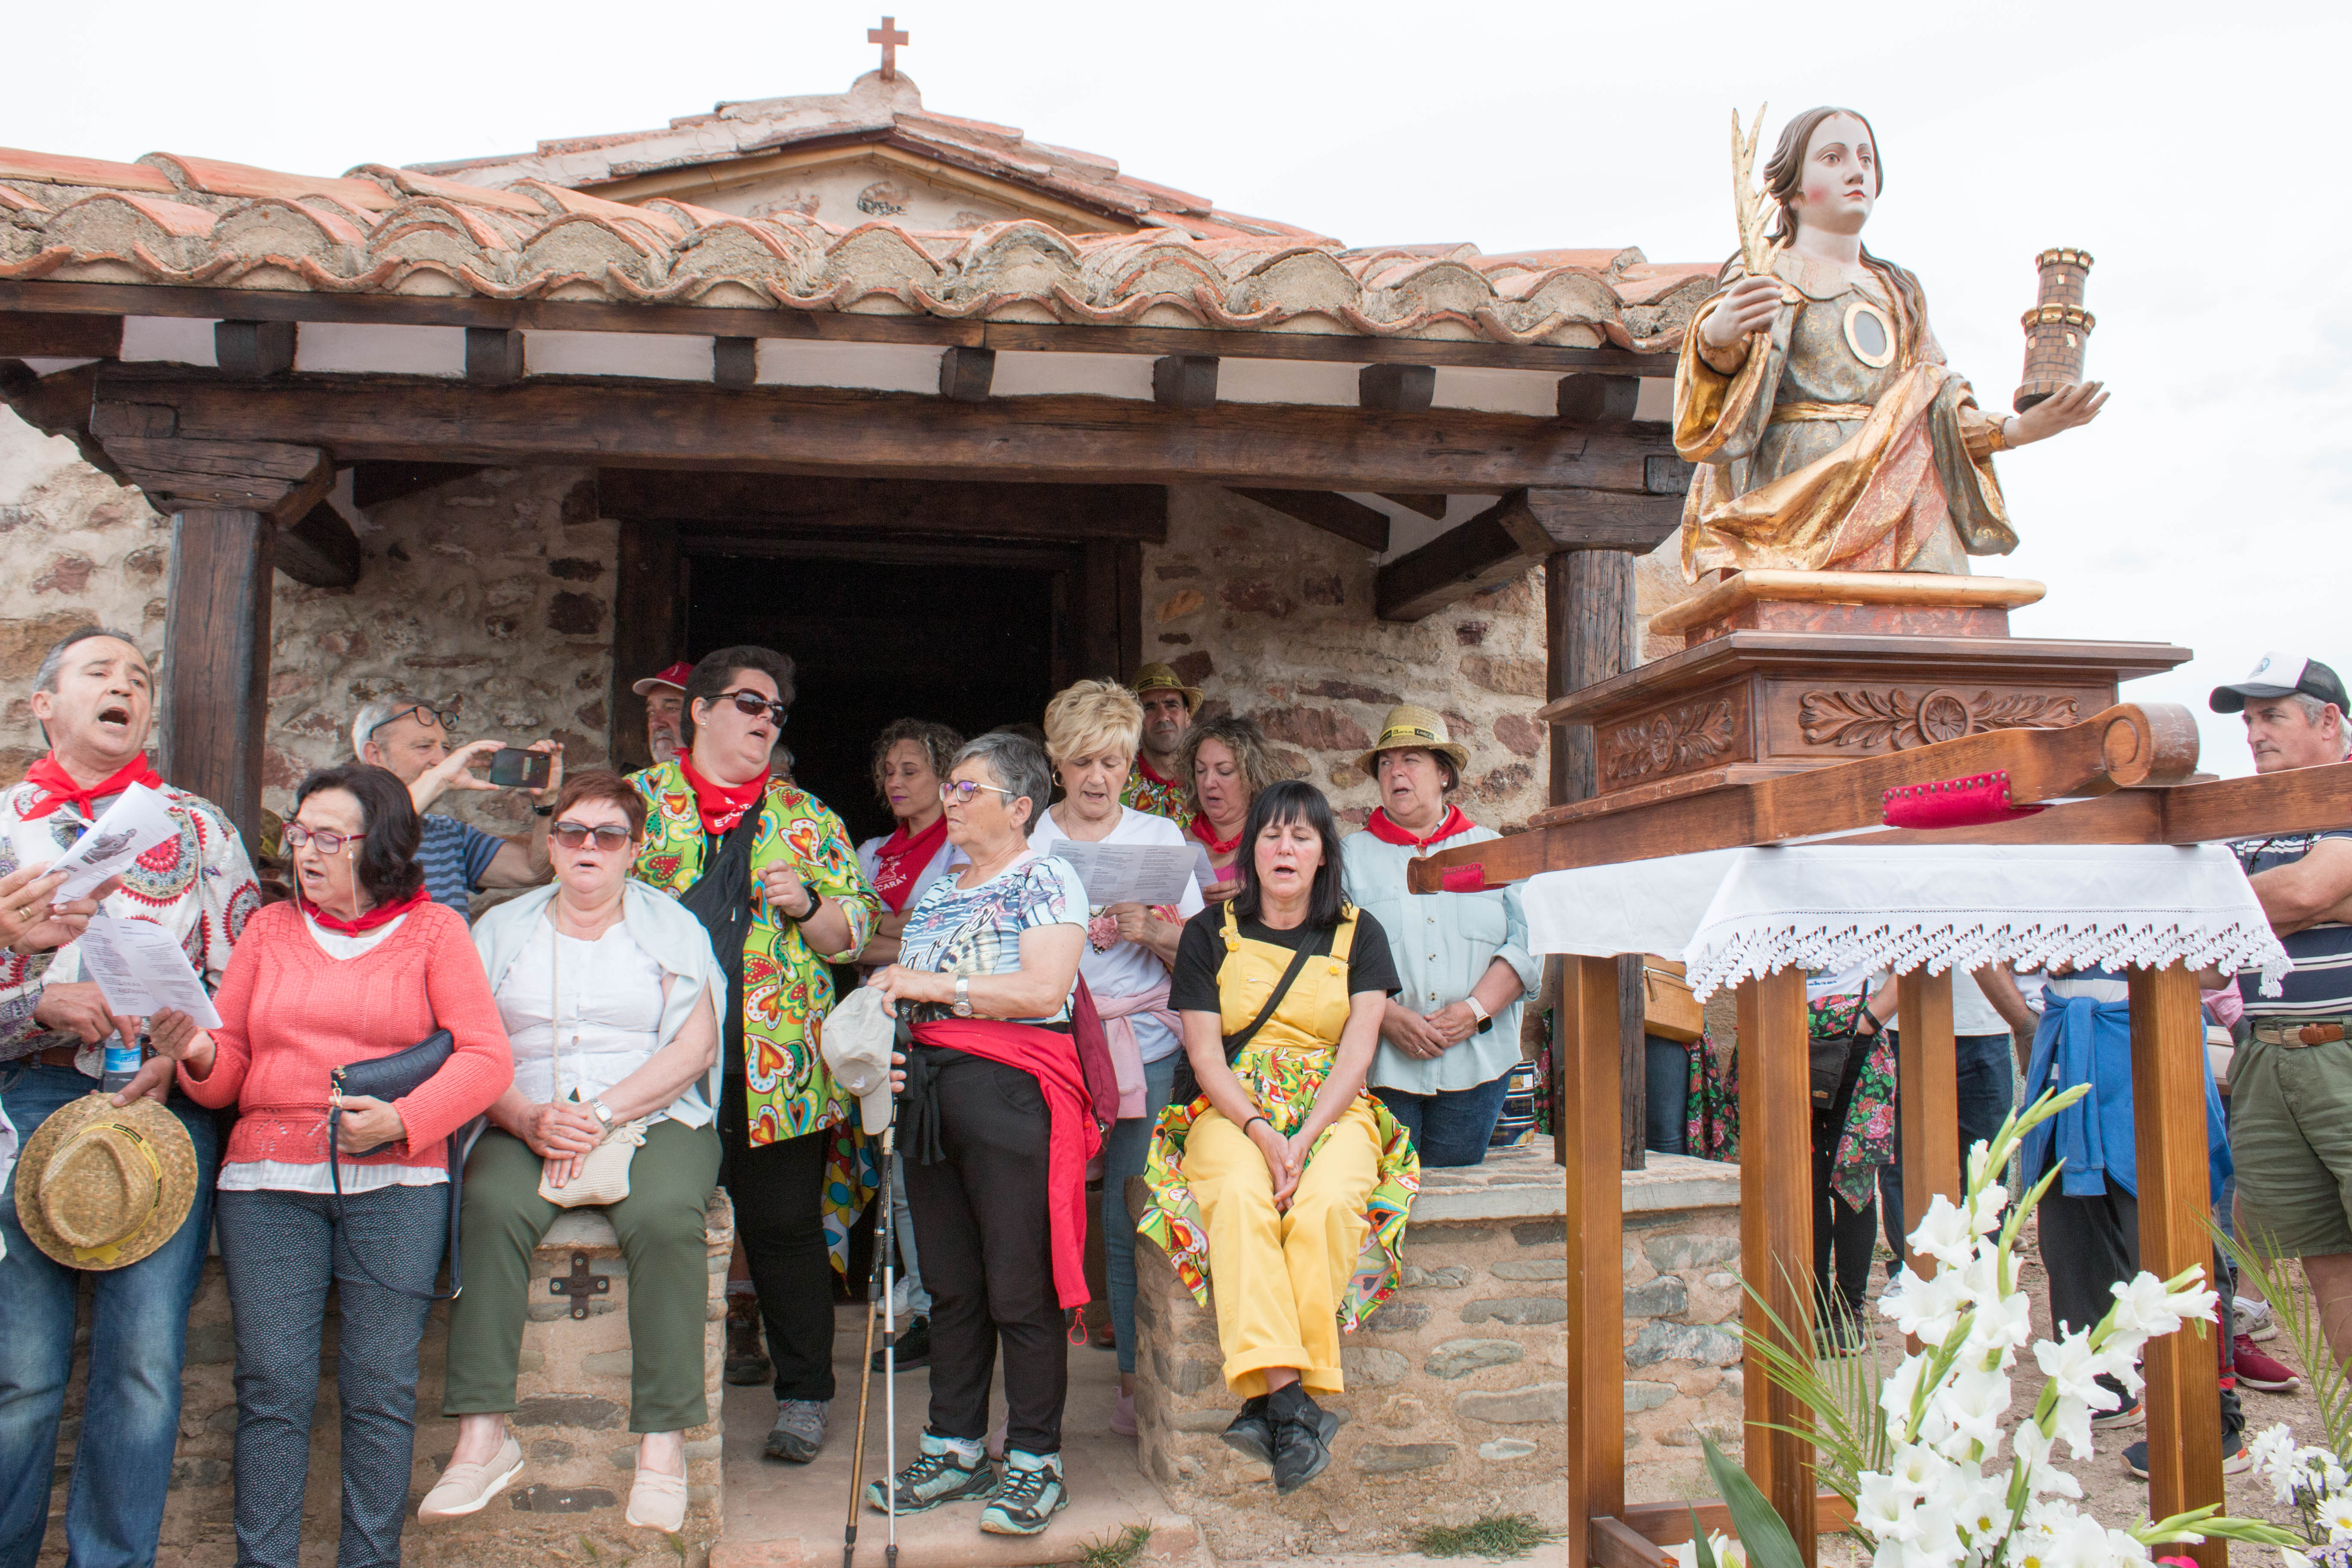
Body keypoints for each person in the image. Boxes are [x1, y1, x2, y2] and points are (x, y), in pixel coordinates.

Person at [152, 762, 511, 1568]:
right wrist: (199, 1051)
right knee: (272, 1387)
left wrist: (404, 1119)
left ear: (377, 843)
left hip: (398, 1182)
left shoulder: (435, 932)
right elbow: (233, 1065)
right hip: (268, 1185)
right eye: (297, 832)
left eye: (326, 837)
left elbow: (487, 1059)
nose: (303, 852)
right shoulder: (271, 930)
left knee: (381, 1388)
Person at [0, 625, 262, 1568]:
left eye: (140, 678)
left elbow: (242, 986)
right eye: (100, 673)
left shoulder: (201, 828)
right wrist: (40, 1000)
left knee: (147, 1367)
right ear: (45, 705)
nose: (126, 688)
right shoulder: (0, 827)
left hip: (163, 1112)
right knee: (21, 1373)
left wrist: (184, 1054)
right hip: (26, 1102)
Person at [426, 770, 725, 1533]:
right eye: (572, 832)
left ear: (636, 849)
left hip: (650, 1115)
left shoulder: (673, 929)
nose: (588, 847)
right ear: (550, 843)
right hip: (523, 1114)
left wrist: (597, 1114)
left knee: (662, 1216)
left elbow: (694, 1048)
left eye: (609, 835)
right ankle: (484, 1437)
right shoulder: (499, 928)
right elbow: (469, 1042)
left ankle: (662, 1442)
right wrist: (525, 1117)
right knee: (488, 1207)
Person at [626, 646, 879, 1466]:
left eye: (776, 710)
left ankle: (805, 1396)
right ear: (697, 710)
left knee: (783, 1231)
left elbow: (852, 937)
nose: (767, 719)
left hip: (778, 1068)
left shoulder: (810, 819)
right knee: (653, 1225)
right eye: (748, 702)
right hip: (655, 1062)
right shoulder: (633, 804)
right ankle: (652, 1406)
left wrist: (806, 902)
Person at [1675, 106, 2104, 577]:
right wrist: (1717, 337)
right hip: (1805, 499)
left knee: (1932, 621)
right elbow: (1734, 378)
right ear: (1794, 189)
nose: (1857, 171)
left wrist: (2018, 431)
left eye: (1866, 159)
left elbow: (1930, 409)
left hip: (1904, 497)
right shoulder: (1767, 270)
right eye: (1833, 159)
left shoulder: (1900, 291)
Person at [1139, 780, 1416, 1495]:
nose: (1284, 847)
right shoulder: (1209, 932)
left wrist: (1306, 1135)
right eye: (1271, 834)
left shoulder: (1361, 933)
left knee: (1327, 1204)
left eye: (1301, 835)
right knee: (1236, 1194)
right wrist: (1263, 1132)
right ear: (1249, 848)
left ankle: (1272, 1400)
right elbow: (1203, 1054)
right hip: (1232, 1105)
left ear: (1324, 852)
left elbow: (1358, 1055)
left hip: (1333, 1105)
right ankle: (1295, 1401)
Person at [864, 732, 1090, 1536]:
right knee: (952, 1282)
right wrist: (899, 1046)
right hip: (932, 1091)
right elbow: (921, 1004)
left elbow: (1041, 988)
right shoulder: (941, 885)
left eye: (967, 788)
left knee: (1017, 1281)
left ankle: (1035, 1459)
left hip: (1010, 1089)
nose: (950, 799)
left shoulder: (1047, 876)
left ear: (1020, 807)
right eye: (950, 787)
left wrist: (929, 985)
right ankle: (955, 1447)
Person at [1029, 681, 1204, 1436]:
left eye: (1112, 761)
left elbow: (1201, 955)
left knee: (1130, 1214)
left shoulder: (1159, 841)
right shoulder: (1026, 838)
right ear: (1054, 763)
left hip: (1144, 1048)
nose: (1098, 778)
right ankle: (1036, 1403)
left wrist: (1151, 931)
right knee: (1037, 1215)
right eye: (1081, 761)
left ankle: (1135, 1385)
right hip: (1049, 1047)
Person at [2018, 961, 2246, 1477]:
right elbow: (2020, 957)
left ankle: (2211, 1419)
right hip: (2065, 1040)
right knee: (2069, 1228)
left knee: (2171, 1232)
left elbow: (2214, 970)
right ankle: (2106, 1386)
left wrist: (2098, 941)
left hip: (2146, 1035)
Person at [2208, 654, 2352, 1372]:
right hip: (2266, 1052)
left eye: (2271, 715)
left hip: (2341, 1049)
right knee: (2324, 1261)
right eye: (2248, 720)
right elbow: (2201, 954)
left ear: (2328, 721)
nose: (2254, 733)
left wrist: (2276, 903)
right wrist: (2301, 900)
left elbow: (2302, 891)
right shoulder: (2247, 822)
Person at [1341, 707, 1536, 1167]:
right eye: (1386, 764)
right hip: (1382, 1063)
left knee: (1458, 1188)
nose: (1395, 772)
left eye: (1411, 760)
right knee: (1384, 1190)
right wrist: (1385, 1017)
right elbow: (1331, 954)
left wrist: (1474, 1011)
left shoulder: (1495, 854)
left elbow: (1528, 943)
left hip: (1478, 1061)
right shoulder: (1349, 858)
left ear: (1444, 774)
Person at [848, 717, 970, 1377]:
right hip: (880, 1025)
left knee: (949, 1165)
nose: (895, 782)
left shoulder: (963, 848)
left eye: (911, 770)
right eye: (888, 771)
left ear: (946, 778)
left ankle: (958, 1308)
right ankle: (923, 1310)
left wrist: (884, 930)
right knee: (899, 1175)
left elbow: (949, 940)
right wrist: (900, 933)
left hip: (944, 1026)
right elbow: (847, 940)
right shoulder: (870, 853)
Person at [352, 697, 563, 918]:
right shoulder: (337, 831)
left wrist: (546, 805)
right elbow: (376, 839)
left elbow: (535, 871)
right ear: (375, 755)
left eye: (445, 748)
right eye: (424, 747)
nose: (441, 760)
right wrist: (439, 779)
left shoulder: (449, 833)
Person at [1806, 970, 1896, 1354]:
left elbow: (1910, 960)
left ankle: (1847, 1315)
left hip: (1857, 1036)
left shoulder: (1868, 906)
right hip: (1786, 1033)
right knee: (1803, 1183)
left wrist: (1868, 1022)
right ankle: (1807, 1309)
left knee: (1853, 1182)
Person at [1180, 714, 1277, 903]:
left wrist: (1258, 895)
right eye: (1200, 771)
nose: (1208, 783)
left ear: (1252, 778)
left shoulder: (1275, 842)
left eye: (1224, 772)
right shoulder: (1178, 843)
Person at [1122, 664, 1200, 821]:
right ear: (1134, 721)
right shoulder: (1117, 784)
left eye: (1172, 705)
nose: (1163, 717)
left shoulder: (1207, 780)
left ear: (1187, 716)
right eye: (1149, 708)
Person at [634, 661, 692, 766]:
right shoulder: (635, 781)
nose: (655, 724)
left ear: (702, 714)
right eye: (651, 712)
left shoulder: (727, 779)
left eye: (671, 708)